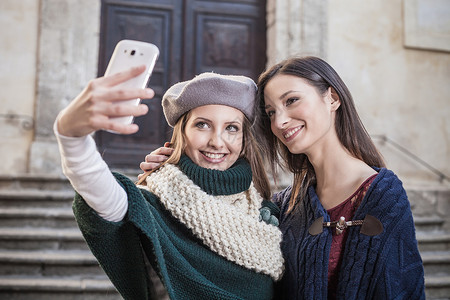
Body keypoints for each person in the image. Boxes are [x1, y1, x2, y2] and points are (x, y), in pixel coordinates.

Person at [142, 57, 425, 299]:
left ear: (332, 98)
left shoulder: (382, 195)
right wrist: (173, 171)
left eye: (291, 101)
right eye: (270, 112)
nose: (280, 122)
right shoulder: (282, 205)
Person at [54, 66, 284, 300]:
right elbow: (101, 193)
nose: (217, 141)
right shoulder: (153, 205)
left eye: (231, 128)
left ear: (244, 140)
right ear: (182, 133)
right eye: (202, 124)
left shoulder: (266, 212)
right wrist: (71, 137)